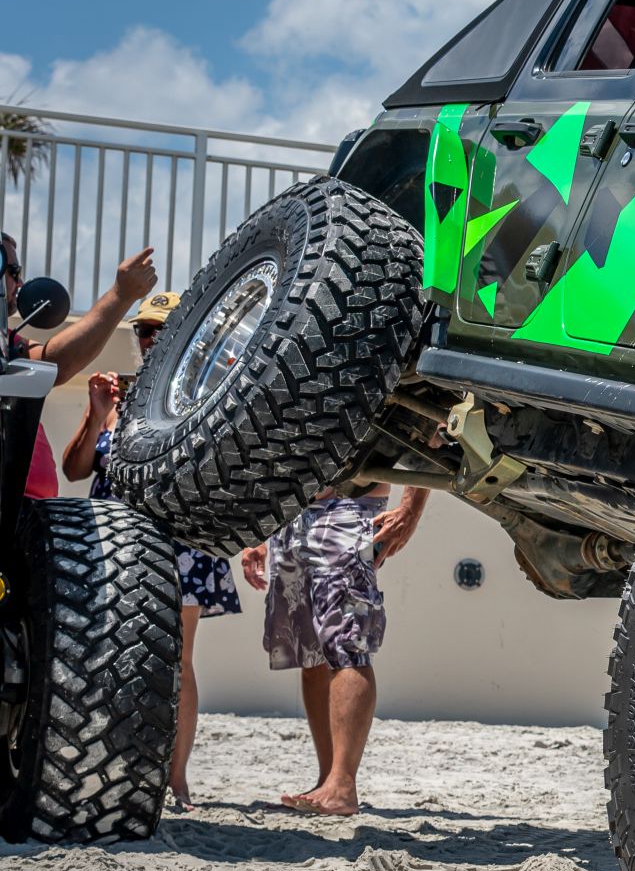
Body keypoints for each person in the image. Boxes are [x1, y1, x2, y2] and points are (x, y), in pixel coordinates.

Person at [62, 291, 242, 805]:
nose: (150, 338)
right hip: (113, 541)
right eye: (143, 330)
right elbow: (74, 469)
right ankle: (113, 768)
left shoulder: (208, 389)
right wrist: (97, 413)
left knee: (175, 659)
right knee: (106, 653)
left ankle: (175, 776)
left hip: (179, 541)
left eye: (162, 328)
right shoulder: (119, 396)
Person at [239, 481, 429, 818]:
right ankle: (327, 780)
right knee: (310, 653)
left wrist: (410, 510)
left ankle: (342, 785)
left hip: (349, 506)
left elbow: (431, 446)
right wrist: (261, 532)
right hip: (291, 514)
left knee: (348, 646)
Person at [3, 231, 159, 496]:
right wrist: (121, 295)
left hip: (29, 510)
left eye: (164, 328)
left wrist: (122, 296)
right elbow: (56, 363)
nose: (21, 283)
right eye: (13, 272)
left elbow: (53, 363)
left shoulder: (8, 345)